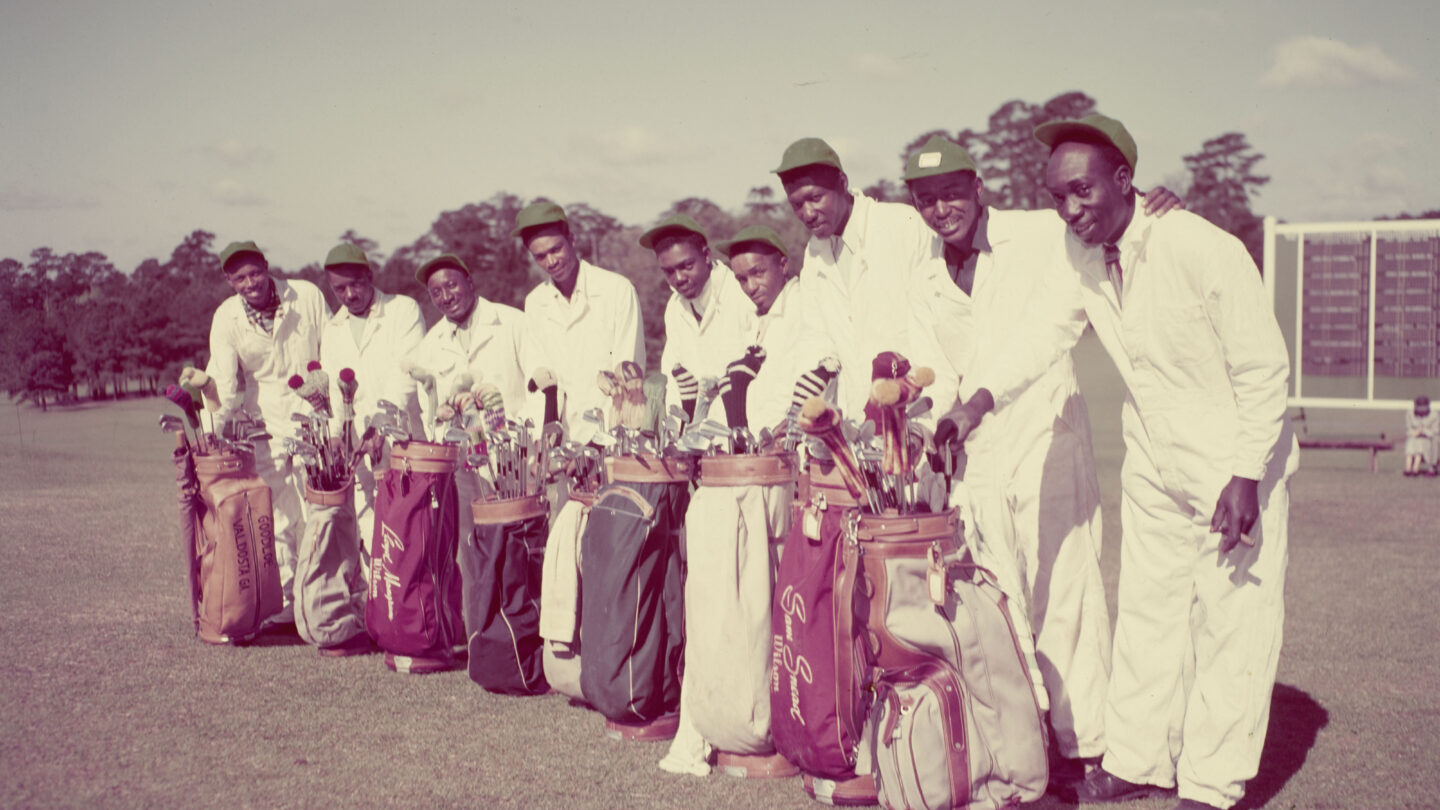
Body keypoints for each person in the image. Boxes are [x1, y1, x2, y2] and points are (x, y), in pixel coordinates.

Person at [946, 115, 1298, 810]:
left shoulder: (1202, 247)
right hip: (1153, 461)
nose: (1071, 210)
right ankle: (1139, 760)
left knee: (1232, 623)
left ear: (1124, 180)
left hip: (1233, 465)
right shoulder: (1082, 257)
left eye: (1082, 191)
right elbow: (1048, 332)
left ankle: (1211, 783)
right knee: (1148, 615)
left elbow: (1262, 369)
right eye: (1057, 198)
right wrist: (978, 400)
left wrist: (1246, 472)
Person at [902, 134, 1111, 773]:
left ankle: (1088, 749)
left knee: (1065, 593)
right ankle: (1029, 746)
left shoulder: (1042, 234)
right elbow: (929, 368)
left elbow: (1111, 232)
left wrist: (1158, 207)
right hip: (976, 453)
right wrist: (926, 425)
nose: (942, 210)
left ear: (978, 187)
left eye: (952, 193)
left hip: (1047, 433)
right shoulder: (924, 276)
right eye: (927, 199)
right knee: (997, 602)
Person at [206, 239, 328, 626]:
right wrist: (211, 431)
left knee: (319, 507)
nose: (249, 283)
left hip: (315, 407)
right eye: (239, 278)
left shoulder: (305, 295)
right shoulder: (226, 317)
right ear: (229, 281)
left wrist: (334, 407)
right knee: (276, 514)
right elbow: (224, 383)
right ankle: (287, 607)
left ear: (266, 266)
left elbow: (333, 347)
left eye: (254, 273)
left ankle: (323, 597)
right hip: (265, 420)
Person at [776, 137, 934, 419]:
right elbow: (816, 338)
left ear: (842, 182)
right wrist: (799, 410)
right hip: (858, 418)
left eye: (815, 197)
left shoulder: (901, 225)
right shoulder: (814, 253)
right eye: (797, 204)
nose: (808, 213)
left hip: (919, 406)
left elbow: (935, 323)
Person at [407, 253, 527, 538]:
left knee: (519, 543)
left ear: (470, 282)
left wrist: (524, 438)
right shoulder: (430, 345)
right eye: (436, 292)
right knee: (473, 545)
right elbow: (430, 413)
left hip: (516, 456)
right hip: (465, 464)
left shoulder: (512, 322)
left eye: (452, 286)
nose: (446, 297)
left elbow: (536, 385)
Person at [317, 242, 425, 548]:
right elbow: (337, 390)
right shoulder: (333, 328)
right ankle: (376, 596)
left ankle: (408, 596)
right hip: (358, 445)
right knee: (367, 524)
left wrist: (381, 424)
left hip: (403, 436)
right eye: (339, 289)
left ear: (369, 275)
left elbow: (406, 373)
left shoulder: (403, 310)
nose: (349, 295)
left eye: (355, 284)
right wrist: (336, 433)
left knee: (408, 527)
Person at [514, 201, 644, 445]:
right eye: (540, 256)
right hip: (563, 443)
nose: (551, 262)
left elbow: (629, 372)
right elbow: (543, 380)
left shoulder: (616, 289)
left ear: (572, 240)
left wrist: (599, 442)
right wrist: (545, 443)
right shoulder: (535, 302)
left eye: (556, 249)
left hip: (613, 435)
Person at [645, 214, 756, 427]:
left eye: (686, 266)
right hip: (695, 438)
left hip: (745, 431)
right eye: (669, 272)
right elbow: (673, 377)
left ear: (706, 255)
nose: (678, 278)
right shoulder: (674, 307)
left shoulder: (740, 293)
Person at [717, 225, 819, 432]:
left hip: (788, 442)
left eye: (758, 273)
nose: (751, 287)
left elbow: (788, 390)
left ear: (783, 265)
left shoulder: (802, 309)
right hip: (757, 444)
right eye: (742, 279)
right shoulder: (756, 318)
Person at [1404, 395, 1438, 476]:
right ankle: (1408, 469)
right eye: (1419, 407)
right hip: (1414, 438)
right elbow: (1408, 429)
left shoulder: (1434, 415)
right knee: (1411, 443)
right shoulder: (1410, 414)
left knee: (1433, 441)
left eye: (1423, 407)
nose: (1421, 410)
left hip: (1429, 438)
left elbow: (1435, 431)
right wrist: (1414, 432)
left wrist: (1423, 431)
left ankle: (1430, 468)